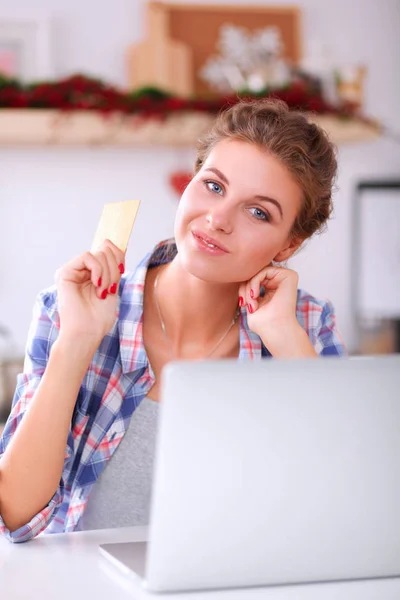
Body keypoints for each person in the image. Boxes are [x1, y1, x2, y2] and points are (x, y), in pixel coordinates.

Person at [0, 99, 346, 543]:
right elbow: (14, 514)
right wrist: (77, 341)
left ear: (289, 245)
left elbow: (349, 503)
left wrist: (283, 338)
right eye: (214, 186)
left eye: (258, 211)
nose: (218, 219)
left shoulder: (307, 325)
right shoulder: (70, 307)